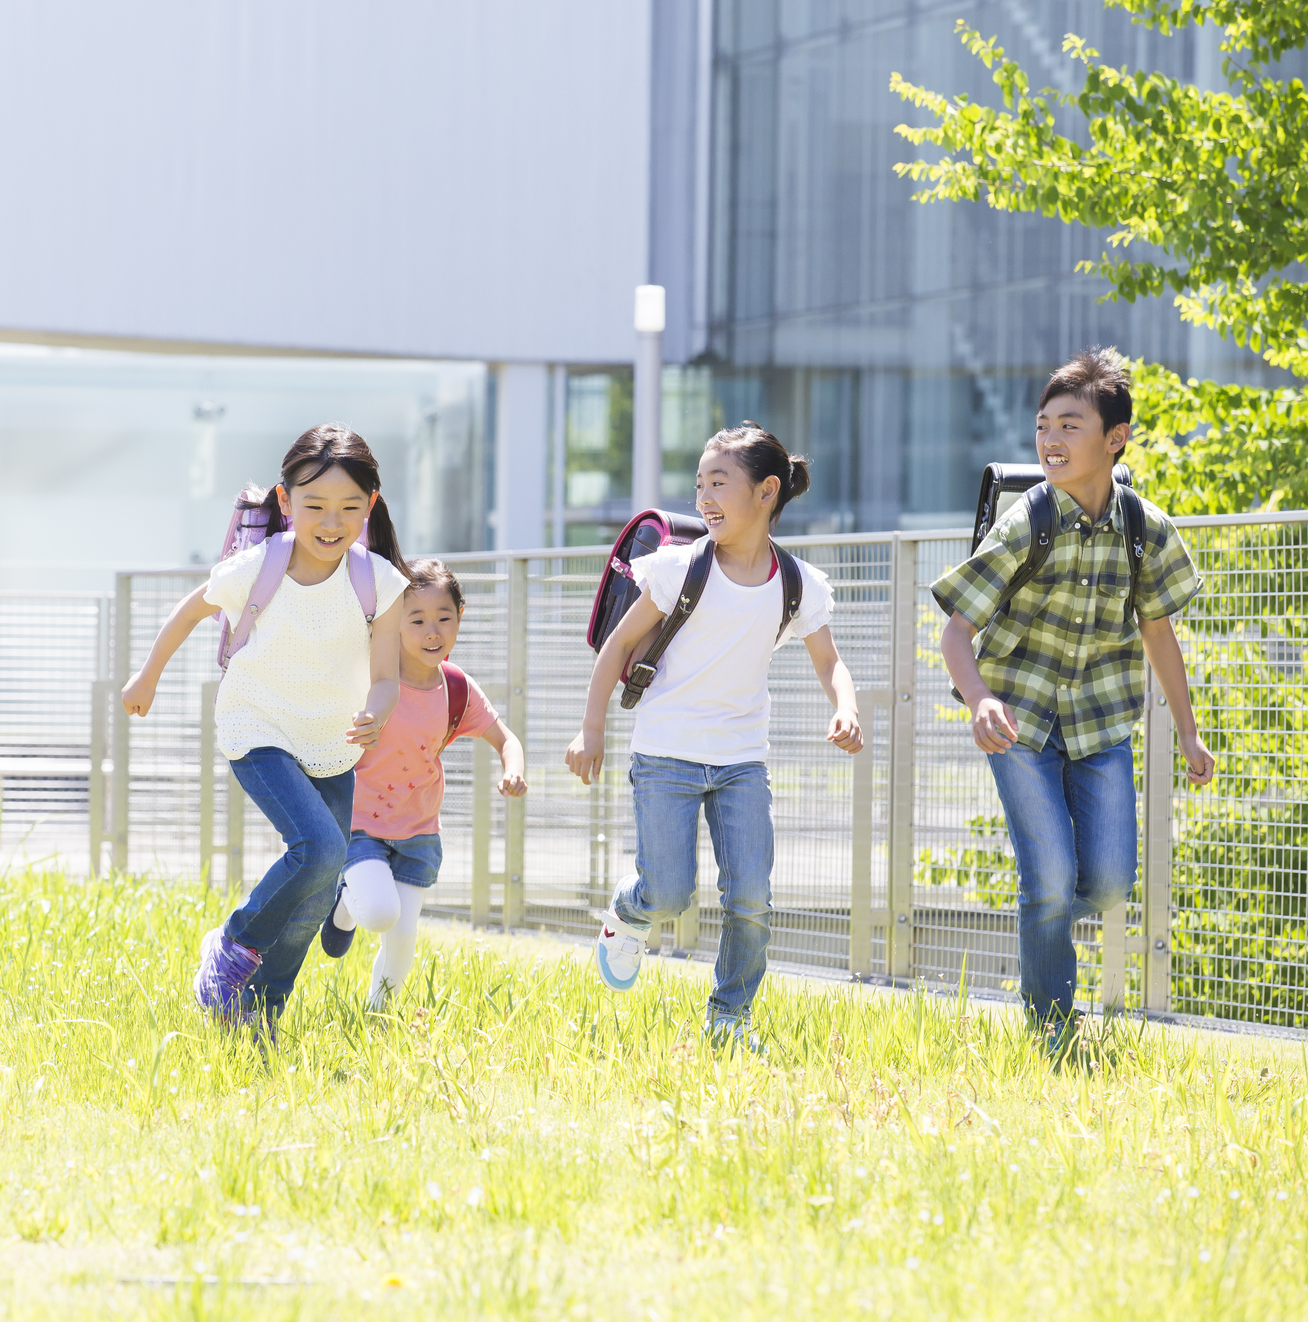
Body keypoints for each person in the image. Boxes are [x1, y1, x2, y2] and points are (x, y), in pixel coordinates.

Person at [933, 348, 1213, 1054]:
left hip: (1100, 722)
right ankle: (1053, 1026)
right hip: (1019, 721)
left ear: (1114, 439)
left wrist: (1186, 731)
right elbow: (956, 631)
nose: (1051, 440)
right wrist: (977, 700)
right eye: (1042, 426)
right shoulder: (1028, 521)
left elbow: (1159, 630)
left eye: (1070, 425)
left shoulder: (1144, 528)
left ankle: (1042, 919)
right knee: (1051, 874)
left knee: (1112, 880)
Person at [566, 424, 861, 1052]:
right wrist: (591, 729)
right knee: (669, 893)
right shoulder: (677, 567)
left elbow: (828, 660)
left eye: (718, 483)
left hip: (741, 762)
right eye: (699, 483)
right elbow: (618, 643)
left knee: (752, 898)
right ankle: (629, 910)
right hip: (666, 751)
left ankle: (729, 1019)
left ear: (766, 491)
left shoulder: (798, 583)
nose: (703, 496)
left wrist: (846, 707)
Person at [122, 425, 410, 1032]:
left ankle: (262, 1008)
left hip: (333, 741)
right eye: (314, 506)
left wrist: (378, 710)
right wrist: (147, 676)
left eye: (349, 508)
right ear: (285, 502)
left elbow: (386, 674)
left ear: (371, 506)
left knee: (320, 878)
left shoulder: (377, 581)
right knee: (322, 849)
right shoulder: (258, 567)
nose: (331, 522)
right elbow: (190, 610)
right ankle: (233, 945)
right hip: (257, 726)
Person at [318, 559, 528, 1007]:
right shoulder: (370, 679)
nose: (433, 632)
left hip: (418, 832)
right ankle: (346, 903)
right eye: (416, 620)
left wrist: (513, 768)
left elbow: (505, 738)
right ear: (394, 622)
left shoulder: (456, 689)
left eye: (443, 619)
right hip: (360, 825)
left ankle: (378, 1017)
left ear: (460, 617)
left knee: (403, 936)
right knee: (379, 913)